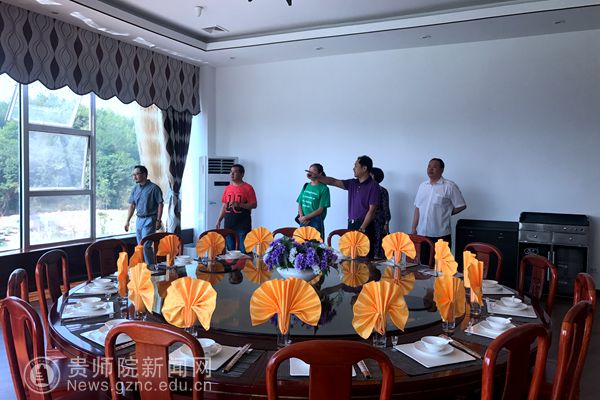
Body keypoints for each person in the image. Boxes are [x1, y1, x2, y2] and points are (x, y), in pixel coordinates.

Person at [311, 155, 379, 258]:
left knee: (364, 259)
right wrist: (317, 177)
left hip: (365, 226)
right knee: (351, 256)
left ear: (364, 168)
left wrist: (362, 229)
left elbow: (372, 210)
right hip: (351, 224)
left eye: (356, 166)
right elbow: (334, 181)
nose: (353, 168)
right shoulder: (352, 183)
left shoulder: (373, 185)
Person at [411, 158, 466, 261]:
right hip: (422, 234)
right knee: (423, 265)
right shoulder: (422, 186)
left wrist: (447, 212)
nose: (430, 169)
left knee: (441, 265)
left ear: (442, 170)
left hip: (441, 235)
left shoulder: (449, 186)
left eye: (434, 167)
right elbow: (418, 207)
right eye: (429, 166)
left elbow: (461, 205)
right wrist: (414, 228)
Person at [124, 165, 164, 264]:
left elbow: (160, 204)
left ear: (144, 174)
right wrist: (127, 221)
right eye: (133, 175)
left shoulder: (154, 188)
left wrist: (158, 220)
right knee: (140, 246)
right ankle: (142, 268)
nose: (134, 177)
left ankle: (151, 268)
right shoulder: (135, 189)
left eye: (137, 174)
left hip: (150, 219)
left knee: (146, 245)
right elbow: (132, 205)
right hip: (139, 219)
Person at [216, 164, 257, 253]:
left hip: (243, 225)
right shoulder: (227, 188)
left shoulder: (248, 188)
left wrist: (240, 205)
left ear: (242, 174)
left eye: (235, 172)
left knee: (244, 251)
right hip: (228, 224)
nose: (232, 174)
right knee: (230, 251)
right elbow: (224, 205)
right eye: (231, 172)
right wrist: (219, 220)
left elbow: (254, 205)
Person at [296, 163, 331, 240]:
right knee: (301, 244)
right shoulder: (306, 186)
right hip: (303, 220)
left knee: (316, 245)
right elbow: (300, 203)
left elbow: (320, 209)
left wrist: (305, 217)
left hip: (315, 221)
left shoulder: (324, 189)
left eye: (313, 171)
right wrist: (301, 217)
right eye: (309, 170)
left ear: (320, 173)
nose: (310, 172)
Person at [371, 167, 391, 259]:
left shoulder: (382, 190)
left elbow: (386, 208)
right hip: (368, 221)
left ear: (373, 176)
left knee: (378, 244)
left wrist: (386, 223)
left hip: (378, 221)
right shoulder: (366, 189)